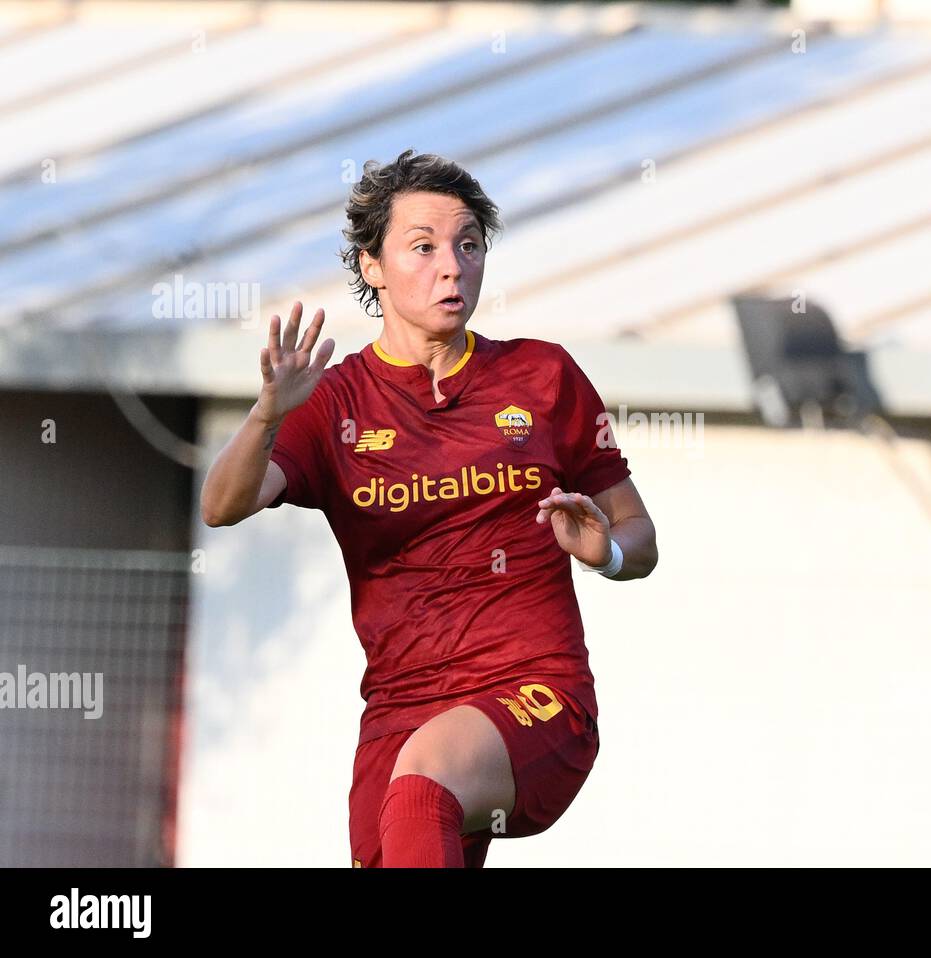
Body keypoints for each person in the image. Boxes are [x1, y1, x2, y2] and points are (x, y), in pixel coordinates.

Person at [200, 150, 658, 867]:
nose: (453, 265)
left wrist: (611, 553)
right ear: (372, 265)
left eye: (468, 244)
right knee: (409, 802)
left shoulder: (543, 376)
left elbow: (640, 534)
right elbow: (220, 507)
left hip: (534, 693)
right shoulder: (332, 401)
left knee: (422, 786)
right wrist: (265, 415)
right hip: (398, 712)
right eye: (424, 246)